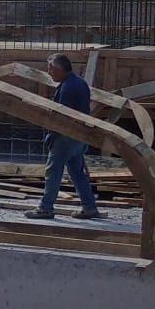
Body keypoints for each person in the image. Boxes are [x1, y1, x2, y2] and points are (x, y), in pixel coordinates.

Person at [28, 53, 102, 220]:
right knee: (77, 172)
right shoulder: (79, 82)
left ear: (59, 69)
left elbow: (61, 116)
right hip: (79, 136)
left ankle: (45, 208)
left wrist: (51, 135)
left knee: (53, 171)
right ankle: (89, 207)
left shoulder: (67, 88)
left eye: (50, 69)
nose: (49, 72)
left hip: (65, 136)